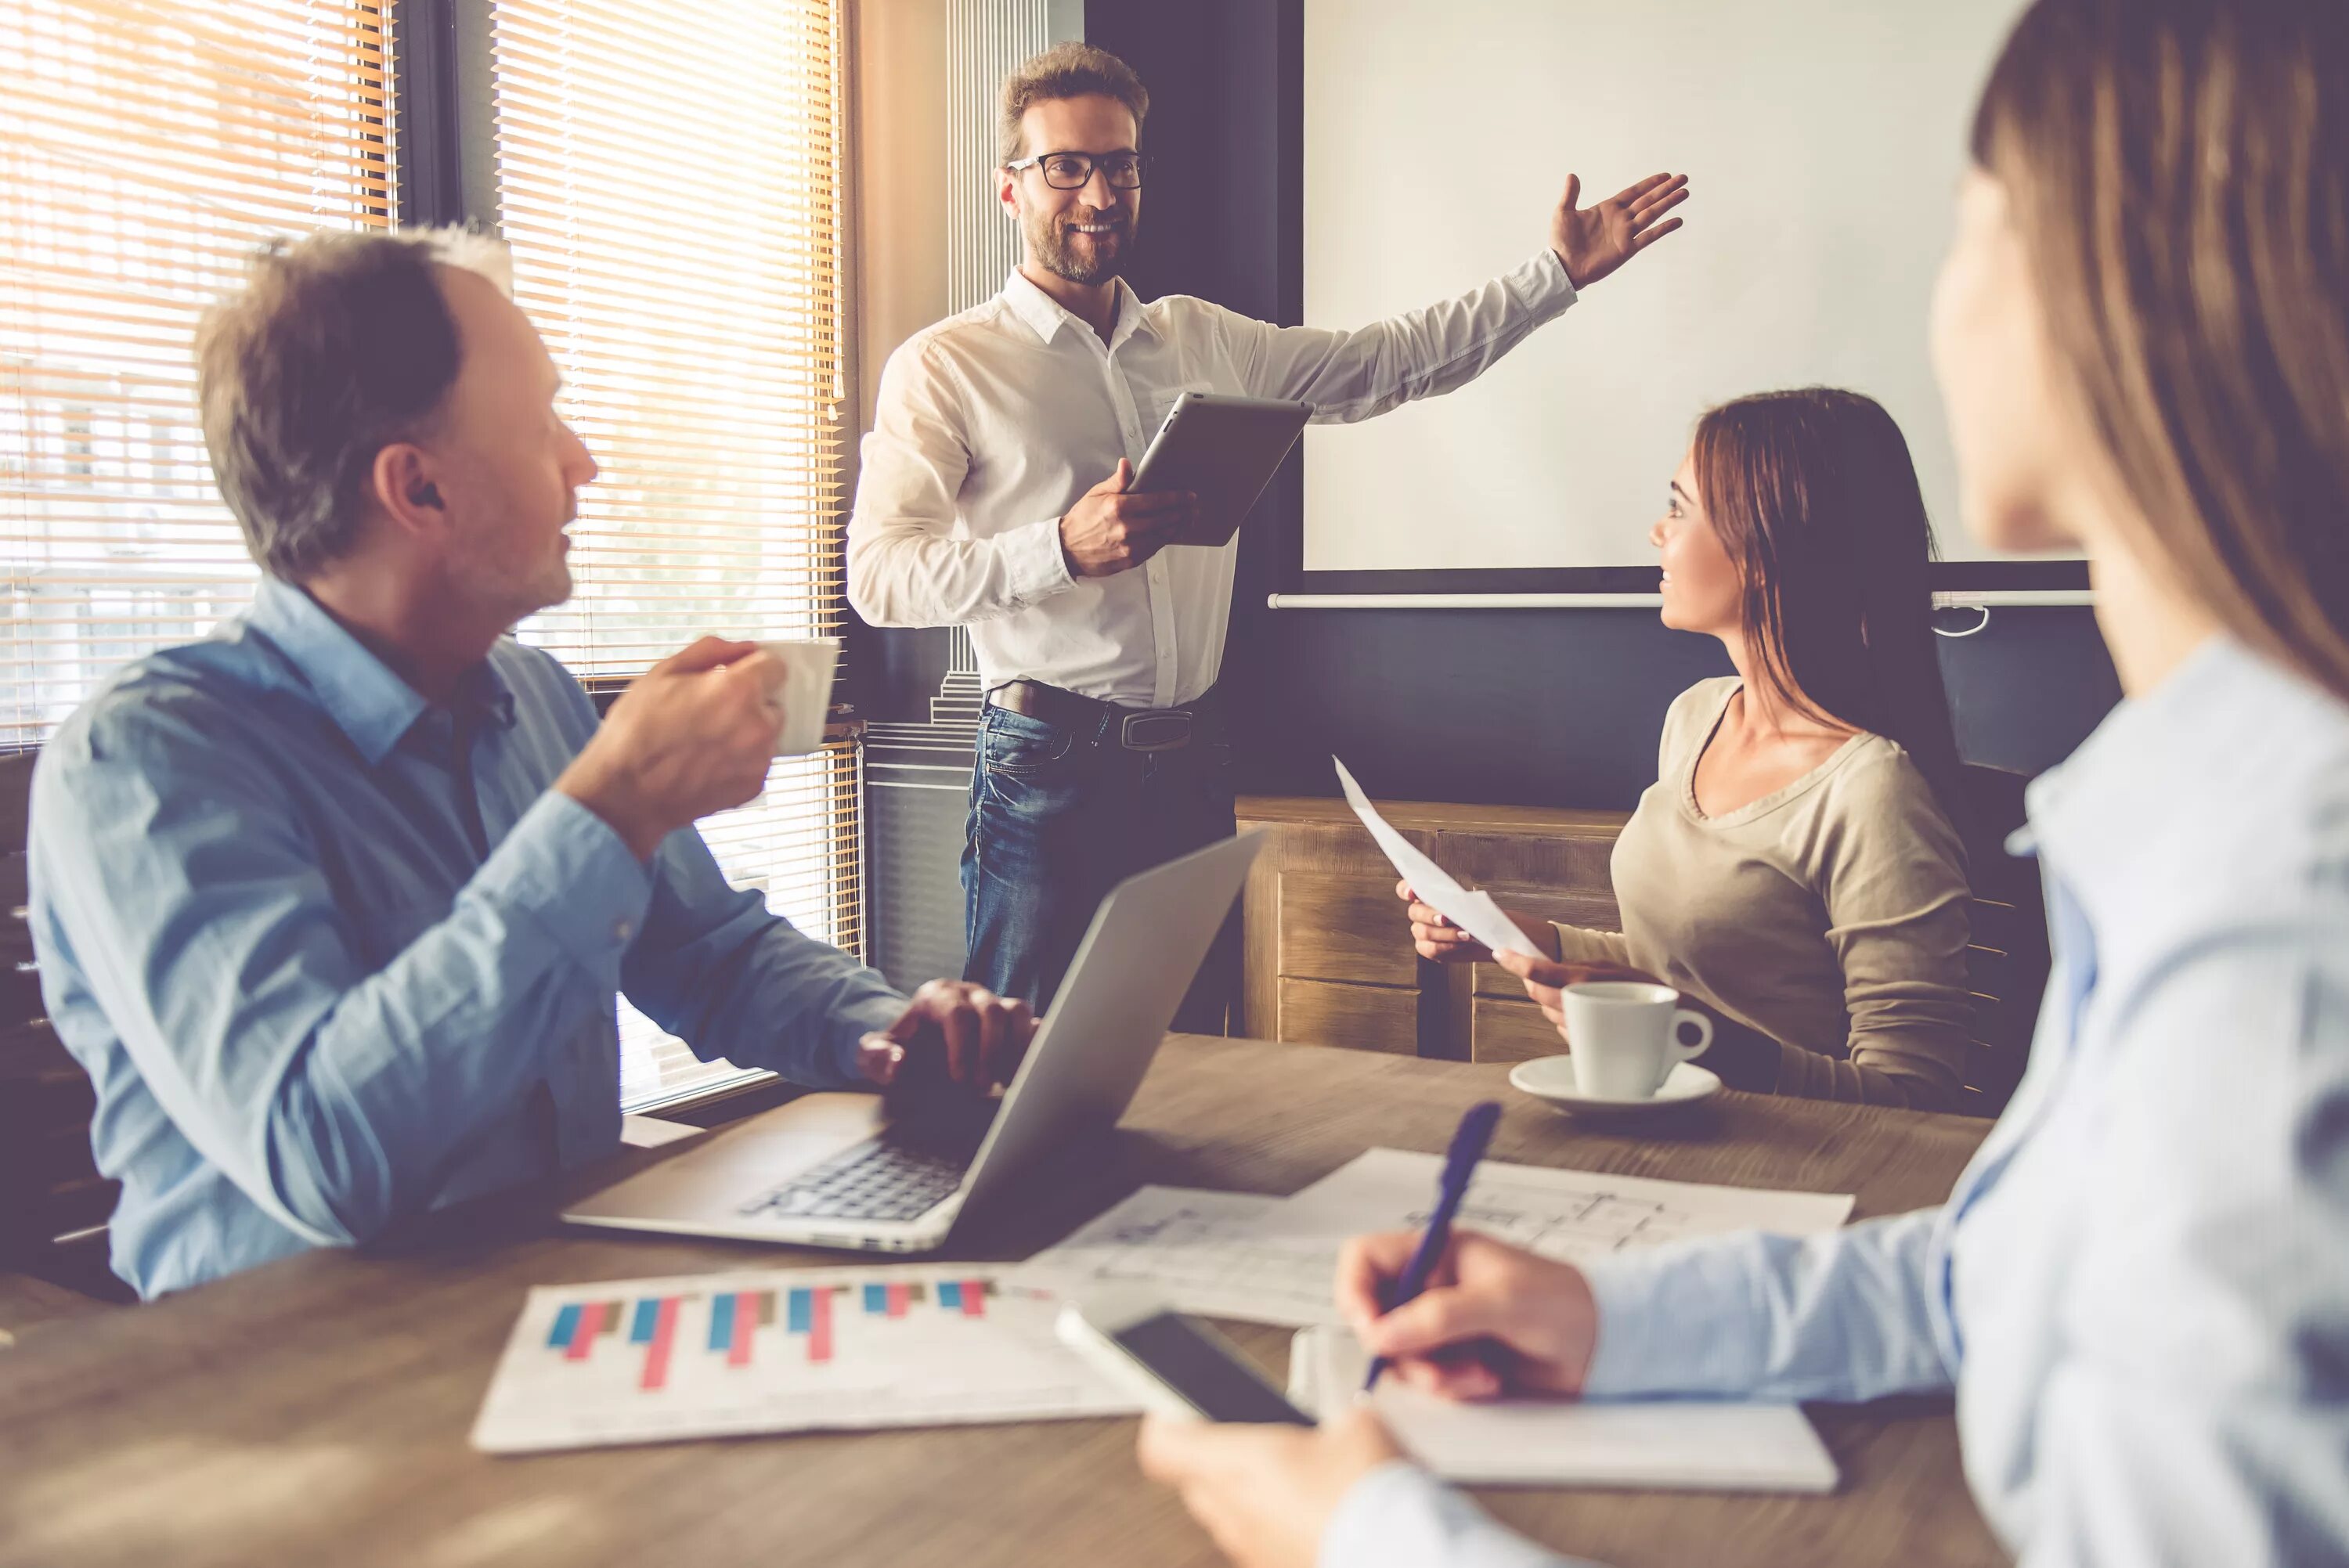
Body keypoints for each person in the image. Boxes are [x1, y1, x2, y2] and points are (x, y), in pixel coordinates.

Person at [1137, 0, 2349, 1562]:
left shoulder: (2280, 932)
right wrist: (1600, 1313)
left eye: (1974, 221)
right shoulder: (2182, 808)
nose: (1940, 291)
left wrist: (1366, 1529)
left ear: (2124, 295)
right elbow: (1985, 1266)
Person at [25, 229, 1032, 1299]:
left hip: (547, 1307)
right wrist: (613, 806)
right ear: (419, 490)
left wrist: (881, 1030)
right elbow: (325, 1158)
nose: (581, 459)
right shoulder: (148, 761)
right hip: (288, 1387)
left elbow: (712, 954)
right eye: (542, 417)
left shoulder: (534, 695)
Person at [846, 42, 1689, 1031]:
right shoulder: (945, 366)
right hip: (1046, 767)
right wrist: (1060, 548)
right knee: (1026, 1060)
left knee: (1202, 1060)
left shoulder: (1201, 337)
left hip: (1193, 761)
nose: (1100, 192)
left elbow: (1390, 363)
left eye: (1119, 164)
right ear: (1009, 188)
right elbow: (881, 577)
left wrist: (1554, 275)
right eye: (1065, 166)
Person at [1399, 388, 1976, 1108]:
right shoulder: (1696, 716)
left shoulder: (1872, 792)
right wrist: (1526, 937)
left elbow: (1917, 1098)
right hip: (1665, 1133)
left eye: (1679, 508)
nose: (1656, 532)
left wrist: (1700, 1042)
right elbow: (1675, 971)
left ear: (1763, 549)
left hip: (1794, 1174)